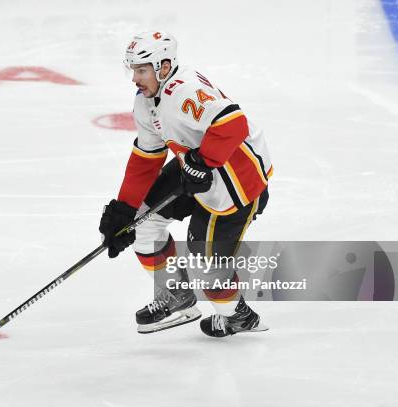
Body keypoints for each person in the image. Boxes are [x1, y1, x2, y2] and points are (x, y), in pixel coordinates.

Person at [99, 31, 272, 337]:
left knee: (208, 267)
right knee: (140, 223)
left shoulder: (184, 92)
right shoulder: (147, 101)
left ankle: (239, 317)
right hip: (195, 166)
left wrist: (203, 161)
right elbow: (147, 157)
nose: (135, 79)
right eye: (134, 71)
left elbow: (233, 124)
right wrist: (124, 209)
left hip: (237, 182)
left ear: (164, 67)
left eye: (141, 70)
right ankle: (177, 294)